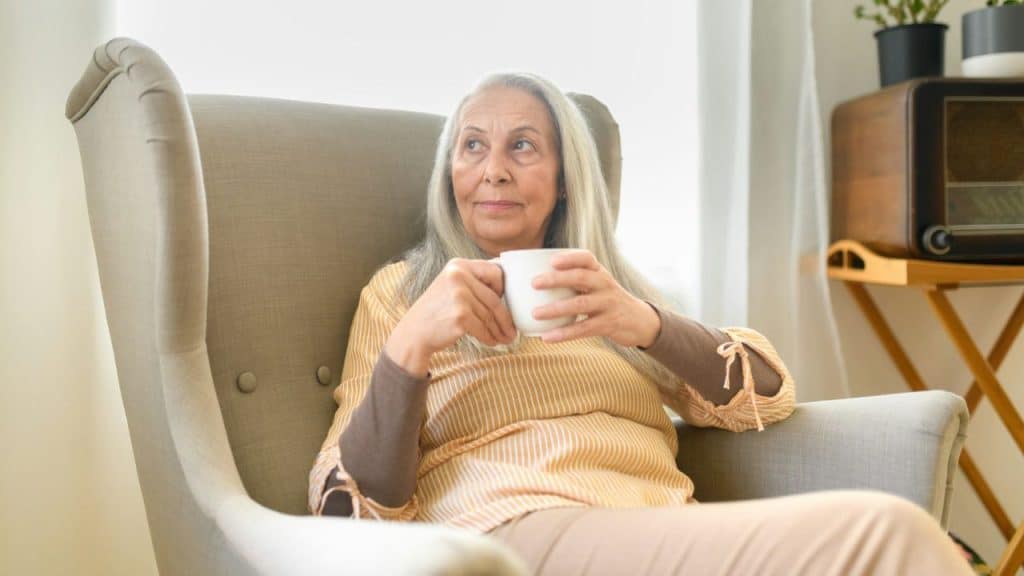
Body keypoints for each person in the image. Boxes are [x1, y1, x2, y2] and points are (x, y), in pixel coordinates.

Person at [308, 72, 972, 575]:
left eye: (523, 146)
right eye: (472, 146)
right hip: (508, 530)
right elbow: (353, 507)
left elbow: (765, 397)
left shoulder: (608, 293)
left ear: (564, 180)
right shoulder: (401, 294)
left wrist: (646, 323)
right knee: (887, 533)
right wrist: (412, 344)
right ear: (448, 172)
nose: (494, 171)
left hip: (654, 525)